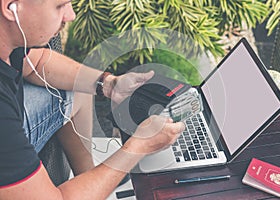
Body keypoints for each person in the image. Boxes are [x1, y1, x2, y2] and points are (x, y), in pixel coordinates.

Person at [0, 0, 185, 199]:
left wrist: (108, 84)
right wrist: (139, 146)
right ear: (11, 7)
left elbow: (35, 61)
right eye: (60, 6)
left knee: (78, 86)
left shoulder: (10, 37)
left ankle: (90, 180)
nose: (70, 15)